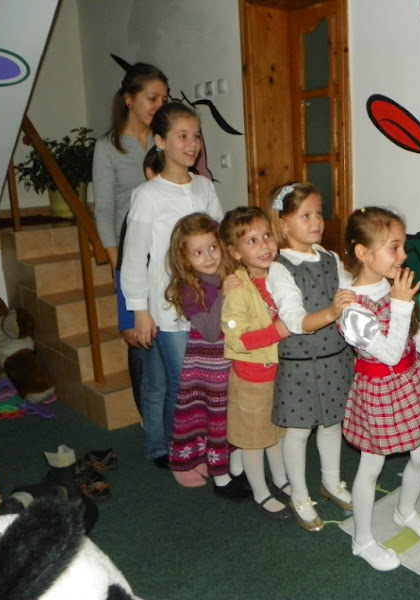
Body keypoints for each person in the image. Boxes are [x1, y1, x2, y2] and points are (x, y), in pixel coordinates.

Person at [121, 102, 224, 468]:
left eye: (196, 136)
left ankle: (166, 443)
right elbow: (134, 258)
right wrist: (139, 311)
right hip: (165, 307)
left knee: (165, 380)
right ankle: (168, 448)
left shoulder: (205, 187)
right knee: (176, 384)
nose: (192, 144)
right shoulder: (147, 195)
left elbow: (219, 241)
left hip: (205, 301)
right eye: (182, 136)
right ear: (161, 141)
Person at [337, 207, 420, 571]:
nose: (403, 255)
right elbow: (389, 354)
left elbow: (411, 337)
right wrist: (401, 304)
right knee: (371, 466)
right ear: (363, 252)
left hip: (410, 380)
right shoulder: (351, 308)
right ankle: (361, 540)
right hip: (378, 390)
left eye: (402, 245)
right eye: (394, 247)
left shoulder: (392, 285)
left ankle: (404, 510)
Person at [266, 183, 356, 532]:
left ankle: (331, 482)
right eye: (305, 215)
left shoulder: (330, 258)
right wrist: (333, 312)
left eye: (318, 213)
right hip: (301, 365)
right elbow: (294, 320)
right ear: (284, 224)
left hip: (335, 358)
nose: (316, 221)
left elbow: (352, 292)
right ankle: (300, 495)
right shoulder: (280, 267)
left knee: (332, 424)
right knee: (299, 431)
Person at [163, 213, 250, 501]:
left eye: (212, 247)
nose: (209, 256)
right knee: (217, 421)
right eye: (198, 252)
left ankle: (236, 469)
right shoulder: (190, 289)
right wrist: (223, 295)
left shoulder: (231, 273)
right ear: (185, 259)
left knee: (235, 416)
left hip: (234, 362)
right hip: (209, 367)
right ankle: (220, 476)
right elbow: (212, 332)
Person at [220, 206, 293, 520]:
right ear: (236, 253)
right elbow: (237, 339)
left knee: (276, 431)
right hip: (252, 378)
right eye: (252, 241)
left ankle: (280, 478)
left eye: (266, 236)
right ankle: (260, 492)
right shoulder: (238, 290)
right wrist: (276, 331)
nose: (264, 245)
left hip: (279, 372)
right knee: (252, 441)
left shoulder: (279, 275)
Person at [92, 62, 169, 271]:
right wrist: (117, 264)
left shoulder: (166, 140)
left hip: (169, 246)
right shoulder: (106, 147)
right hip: (133, 250)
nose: (160, 106)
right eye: (152, 99)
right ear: (129, 100)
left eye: (164, 100)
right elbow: (104, 210)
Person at [114, 146, 161, 414]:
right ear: (150, 173)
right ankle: (148, 422)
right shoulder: (138, 212)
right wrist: (127, 320)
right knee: (144, 370)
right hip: (141, 307)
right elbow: (125, 268)